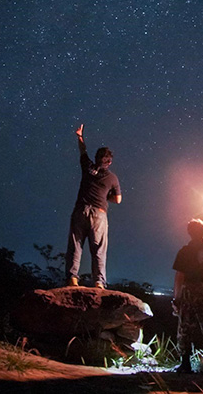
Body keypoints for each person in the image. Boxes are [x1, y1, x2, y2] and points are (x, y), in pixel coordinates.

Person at [65, 123, 122, 289]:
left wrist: (80, 136)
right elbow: (118, 199)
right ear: (109, 162)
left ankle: (72, 279)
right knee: (98, 249)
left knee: (75, 245)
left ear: (96, 159)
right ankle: (98, 282)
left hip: (80, 210)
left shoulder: (87, 167)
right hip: (99, 213)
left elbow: (83, 151)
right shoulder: (113, 178)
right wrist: (106, 195)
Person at [172, 214, 203, 373]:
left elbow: (179, 277)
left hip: (188, 292)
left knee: (185, 327)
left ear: (189, 232)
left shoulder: (184, 252)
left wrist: (176, 299)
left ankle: (185, 364)